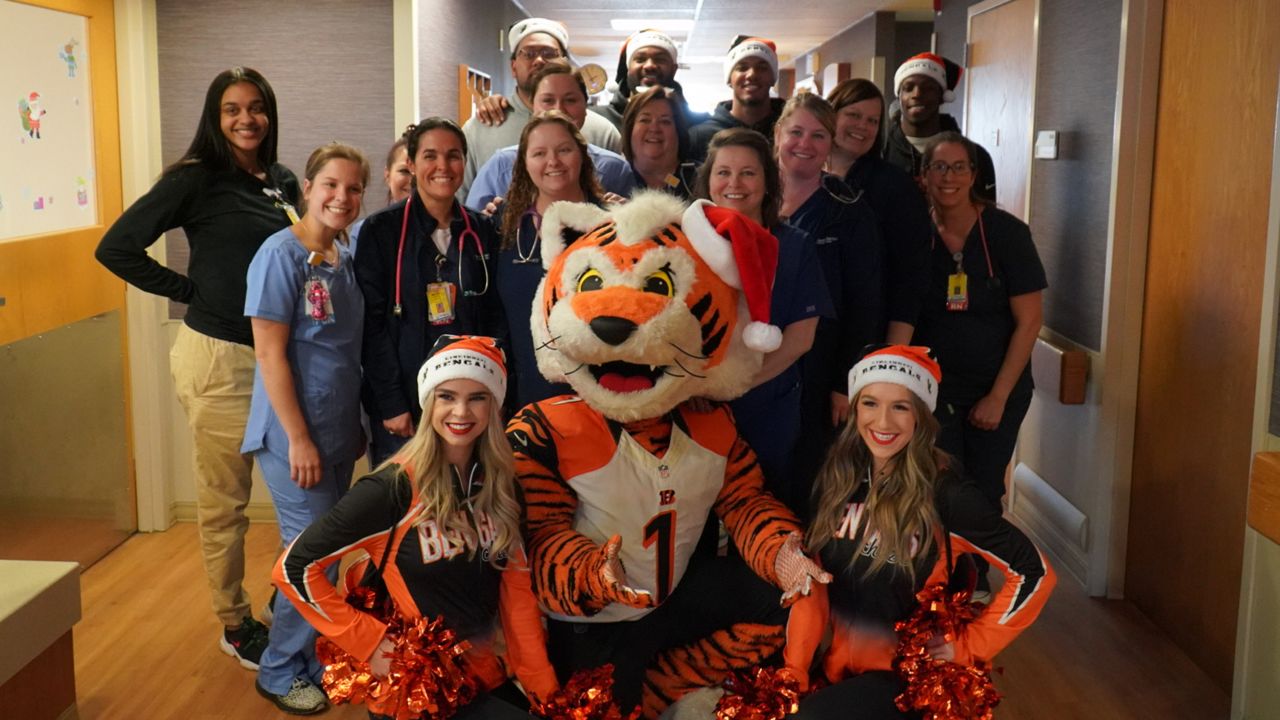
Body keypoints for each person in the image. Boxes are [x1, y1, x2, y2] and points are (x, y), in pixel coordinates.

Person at [94, 66, 296, 669]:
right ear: (215, 117)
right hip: (219, 362)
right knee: (225, 503)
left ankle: (289, 605)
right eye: (232, 109)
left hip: (278, 359)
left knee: (294, 496)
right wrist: (188, 290)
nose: (246, 119)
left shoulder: (280, 180)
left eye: (256, 107)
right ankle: (234, 623)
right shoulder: (196, 180)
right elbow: (116, 247)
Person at [274, 336, 559, 720]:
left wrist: (544, 688)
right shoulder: (391, 489)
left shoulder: (502, 487)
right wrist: (372, 644)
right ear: (428, 403)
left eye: (478, 397)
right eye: (446, 396)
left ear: (496, 405)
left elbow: (517, 594)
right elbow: (293, 569)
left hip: (482, 675)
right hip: (417, 694)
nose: (461, 411)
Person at [783, 345, 1056, 718]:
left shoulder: (948, 497)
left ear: (920, 417)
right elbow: (813, 587)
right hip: (838, 676)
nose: (882, 422)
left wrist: (968, 647)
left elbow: (1034, 571)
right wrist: (794, 672)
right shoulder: (838, 482)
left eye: (900, 406)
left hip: (906, 686)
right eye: (870, 404)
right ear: (855, 409)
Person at [242, 142, 370, 715]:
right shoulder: (279, 256)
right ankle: (277, 670)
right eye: (331, 185)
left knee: (325, 552)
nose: (342, 197)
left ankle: (314, 657)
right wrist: (297, 438)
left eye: (353, 188)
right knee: (310, 556)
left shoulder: (341, 256)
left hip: (337, 430)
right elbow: (270, 357)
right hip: (294, 435)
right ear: (308, 190)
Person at [356, 118, 506, 465]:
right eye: (430, 156)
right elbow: (372, 327)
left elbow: (496, 317)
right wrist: (391, 403)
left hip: (469, 403)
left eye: (453, 156)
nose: (442, 166)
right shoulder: (381, 232)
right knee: (407, 505)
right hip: (404, 403)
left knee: (466, 499)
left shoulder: (482, 230)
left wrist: (495, 394)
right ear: (411, 164)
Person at [694, 128, 832, 501]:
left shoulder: (794, 246)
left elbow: (801, 338)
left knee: (766, 515)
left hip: (767, 407)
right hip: (694, 409)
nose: (734, 183)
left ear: (768, 182)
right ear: (708, 180)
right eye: (723, 172)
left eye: (748, 173)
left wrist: (733, 386)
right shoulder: (685, 244)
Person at [912, 132, 1045, 510]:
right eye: (939, 167)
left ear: (973, 175)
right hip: (933, 390)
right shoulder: (915, 233)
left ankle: (976, 567)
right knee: (937, 489)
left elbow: (1030, 321)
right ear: (924, 175)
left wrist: (998, 397)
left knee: (983, 492)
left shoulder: (1007, 234)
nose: (948, 177)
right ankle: (948, 570)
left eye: (958, 167)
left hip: (997, 387)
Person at [774, 93, 883, 517]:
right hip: (757, 365)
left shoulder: (848, 210)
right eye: (796, 132)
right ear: (778, 134)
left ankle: (802, 576)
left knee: (805, 483)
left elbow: (865, 303)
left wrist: (845, 383)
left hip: (821, 371)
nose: (805, 143)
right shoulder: (753, 198)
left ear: (831, 143)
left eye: (818, 135)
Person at [497, 111, 604, 409]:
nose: (553, 162)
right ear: (524, 163)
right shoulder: (504, 224)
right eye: (539, 153)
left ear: (581, 155)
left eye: (564, 150)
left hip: (599, 398)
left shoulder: (611, 226)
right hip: (524, 398)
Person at [458, 18, 621, 199]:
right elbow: (460, 205)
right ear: (513, 67)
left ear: (565, 62)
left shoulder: (603, 131)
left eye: (549, 53)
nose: (539, 60)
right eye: (528, 53)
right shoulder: (481, 127)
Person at [827, 79, 931, 345]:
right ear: (830, 115)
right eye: (853, 115)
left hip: (870, 333)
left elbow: (910, 275)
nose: (863, 126)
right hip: (809, 331)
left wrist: (894, 352)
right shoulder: (803, 177)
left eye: (873, 121)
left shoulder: (894, 186)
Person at [466, 60, 634, 210]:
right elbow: (471, 231)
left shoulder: (614, 170)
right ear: (532, 107)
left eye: (570, 100)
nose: (558, 109)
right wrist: (486, 224)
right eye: (548, 100)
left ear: (585, 107)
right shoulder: (501, 167)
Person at [883, 53, 996, 203]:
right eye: (908, 88)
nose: (916, 94)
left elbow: (986, 219)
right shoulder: (879, 152)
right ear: (899, 97)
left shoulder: (975, 156)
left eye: (928, 88)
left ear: (942, 97)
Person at [687, 36, 786, 164]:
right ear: (729, 79)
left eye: (762, 68)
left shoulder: (790, 131)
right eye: (742, 68)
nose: (752, 74)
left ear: (773, 78)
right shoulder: (700, 136)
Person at [590, 28, 708, 132]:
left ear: (674, 69)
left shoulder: (698, 126)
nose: (649, 66)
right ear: (628, 68)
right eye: (640, 59)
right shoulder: (596, 119)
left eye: (660, 59)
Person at [621, 86, 698, 199]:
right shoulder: (614, 176)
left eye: (665, 121)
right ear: (630, 128)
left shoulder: (701, 179)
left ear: (678, 130)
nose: (654, 128)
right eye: (645, 120)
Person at [349, 137, 414, 254]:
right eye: (404, 171)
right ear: (387, 175)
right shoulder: (367, 231)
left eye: (420, 172)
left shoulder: (447, 230)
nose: (413, 180)